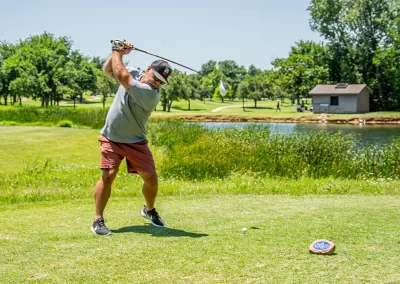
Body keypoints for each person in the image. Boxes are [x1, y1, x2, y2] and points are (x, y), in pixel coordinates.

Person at [91, 40, 173, 235]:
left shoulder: (151, 94)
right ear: (148, 69)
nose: (157, 83)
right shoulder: (134, 72)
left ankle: (149, 210)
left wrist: (116, 51)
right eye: (155, 78)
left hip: (136, 141)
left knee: (151, 178)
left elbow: (121, 74)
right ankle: (98, 220)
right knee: (108, 174)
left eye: (161, 82)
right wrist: (118, 54)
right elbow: (109, 71)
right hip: (111, 137)